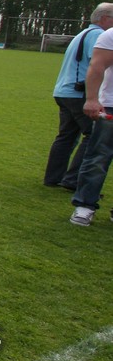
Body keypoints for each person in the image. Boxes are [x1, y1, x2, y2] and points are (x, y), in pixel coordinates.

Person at [45, 4, 113, 190]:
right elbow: (97, 64)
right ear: (104, 18)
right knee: (93, 135)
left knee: (66, 136)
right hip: (79, 94)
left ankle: (53, 178)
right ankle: (74, 180)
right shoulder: (98, 36)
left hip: (63, 91)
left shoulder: (82, 34)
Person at [68, 22, 113, 226]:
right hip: (110, 105)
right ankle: (85, 205)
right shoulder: (110, 35)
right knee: (98, 157)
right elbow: (97, 65)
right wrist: (92, 99)